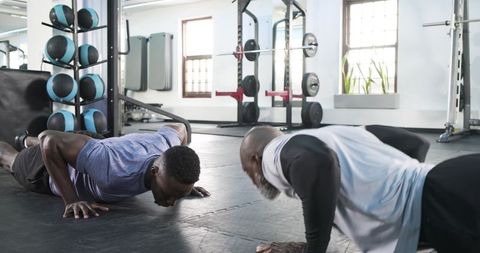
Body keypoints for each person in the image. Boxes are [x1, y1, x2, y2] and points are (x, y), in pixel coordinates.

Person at [240, 125, 480, 253]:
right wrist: (396, 204)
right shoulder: (339, 132)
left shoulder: (271, 153)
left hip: (446, 204)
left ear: (254, 160)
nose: (253, 180)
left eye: (247, 172)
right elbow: (414, 142)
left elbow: (317, 161)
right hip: (452, 181)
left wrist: (314, 251)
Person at [0, 124, 210, 219]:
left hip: (91, 146)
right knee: (10, 159)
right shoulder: (112, 168)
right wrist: (71, 199)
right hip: (46, 168)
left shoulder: (165, 145)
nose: (171, 202)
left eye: (175, 196)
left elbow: (180, 127)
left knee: (74, 145)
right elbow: (49, 139)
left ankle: (26, 140)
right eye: (168, 193)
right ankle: (21, 148)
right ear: (155, 171)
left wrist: (181, 186)